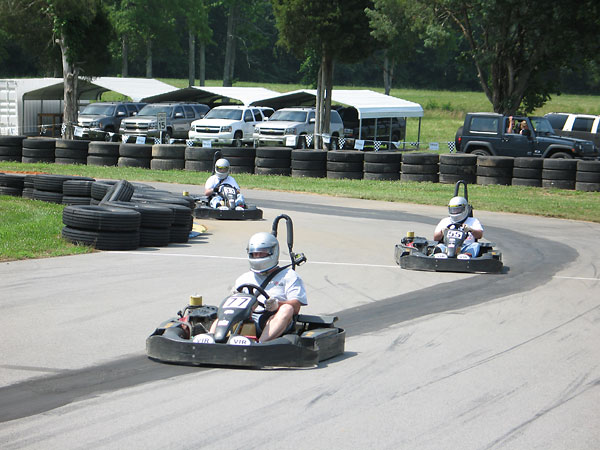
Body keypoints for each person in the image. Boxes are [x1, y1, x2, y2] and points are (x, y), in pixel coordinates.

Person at [210, 232, 307, 343]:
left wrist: (277, 305)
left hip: (271, 318)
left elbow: (296, 307)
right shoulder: (244, 278)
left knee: (287, 308)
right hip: (246, 317)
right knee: (227, 311)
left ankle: (260, 344)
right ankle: (212, 339)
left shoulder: (289, 275)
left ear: (273, 252)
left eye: (262, 253)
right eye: (255, 254)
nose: (257, 256)